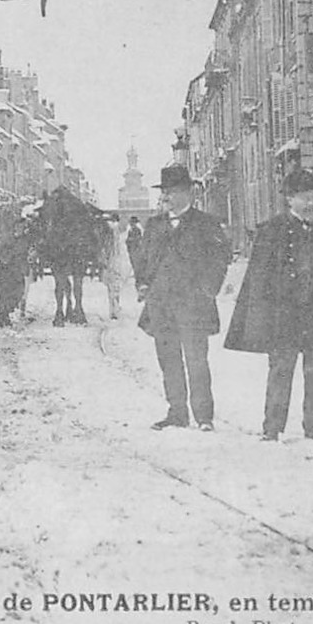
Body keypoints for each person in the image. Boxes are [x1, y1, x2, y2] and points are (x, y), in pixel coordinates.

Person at [226, 168, 313, 442]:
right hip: (283, 313)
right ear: (289, 199)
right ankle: (272, 427)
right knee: (281, 369)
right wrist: (262, 315)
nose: (310, 201)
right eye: (303, 196)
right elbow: (260, 277)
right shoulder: (273, 230)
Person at [137, 166, 230, 431]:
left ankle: (203, 416)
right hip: (161, 305)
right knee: (169, 360)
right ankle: (176, 412)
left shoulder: (206, 224)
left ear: (188, 193)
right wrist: (143, 284)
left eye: (174, 191)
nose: (168, 196)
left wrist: (208, 289)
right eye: (165, 191)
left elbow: (220, 260)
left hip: (193, 306)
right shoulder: (154, 226)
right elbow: (143, 259)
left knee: (196, 361)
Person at [0, 218, 31, 327]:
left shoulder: (26, 240)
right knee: (4, 294)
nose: (21, 228)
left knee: (18, 294)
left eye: (24, 227)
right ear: (15, 226)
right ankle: (4, 316)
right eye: (19, 226)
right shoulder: (7, 238)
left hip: (19, 271)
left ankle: (3, 315)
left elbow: (30, 253)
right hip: (5, 270)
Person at [101, 213, 133, 320]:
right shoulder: (112, 231)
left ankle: (114, 307)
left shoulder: (127, 231)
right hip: (114, 259)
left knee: (116, 285)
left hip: (122, 259)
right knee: (114, 286)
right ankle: (114, 309)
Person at [124, 216, 146, 284]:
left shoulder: (137, 230)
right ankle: (136, 273)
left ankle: (138, 275)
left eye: (132, 223)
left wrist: (130, 240)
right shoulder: (130, 230)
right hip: (131, 249)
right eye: (131, 223)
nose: (131, 224)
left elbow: (138, 239)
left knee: (136, 262)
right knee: (132, 261)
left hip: (136, 249)